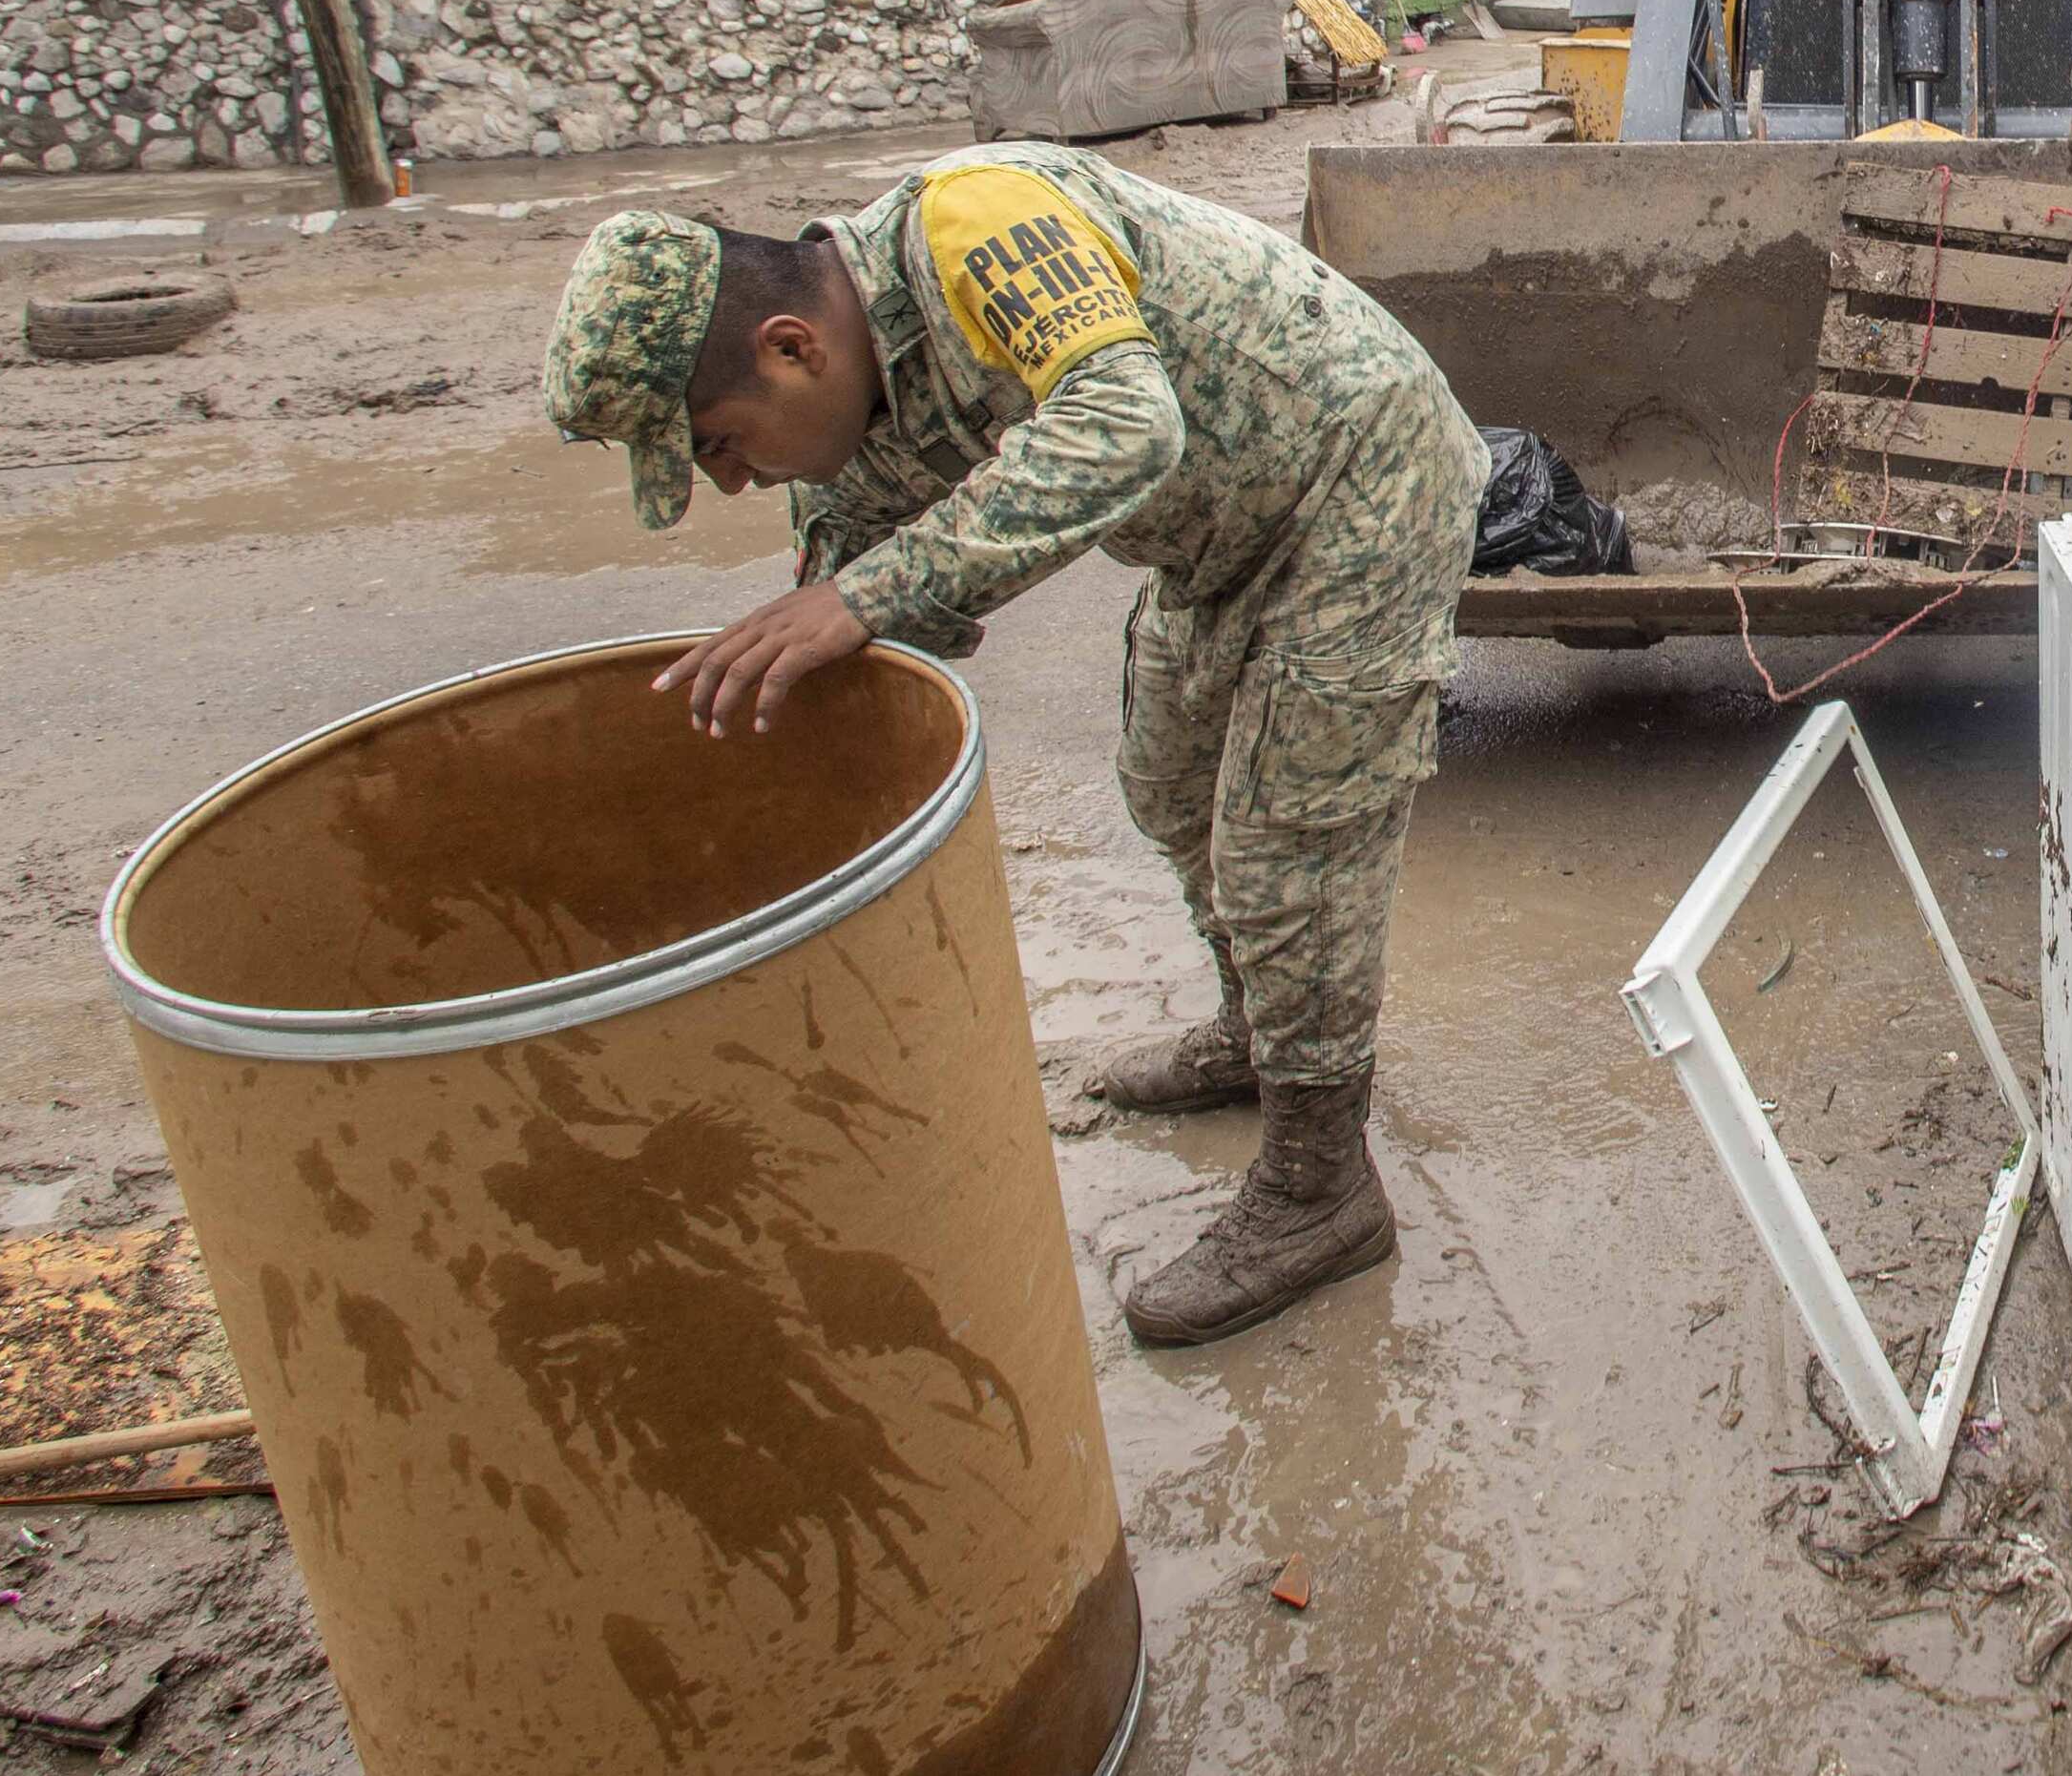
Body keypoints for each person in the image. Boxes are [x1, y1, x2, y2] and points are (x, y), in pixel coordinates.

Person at [538, 140, 1487, 1350]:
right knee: (1167, 782)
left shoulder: (979, 224)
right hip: (1214, 540)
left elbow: (1121, 422)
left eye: (720, 443)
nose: (732, 482)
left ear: (791, 347)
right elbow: (864, 628)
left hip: (1362, 479)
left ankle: (1320, 1184)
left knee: (1286, 842)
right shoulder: (846, 442)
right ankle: (1261, 1034)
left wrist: (866, 599)